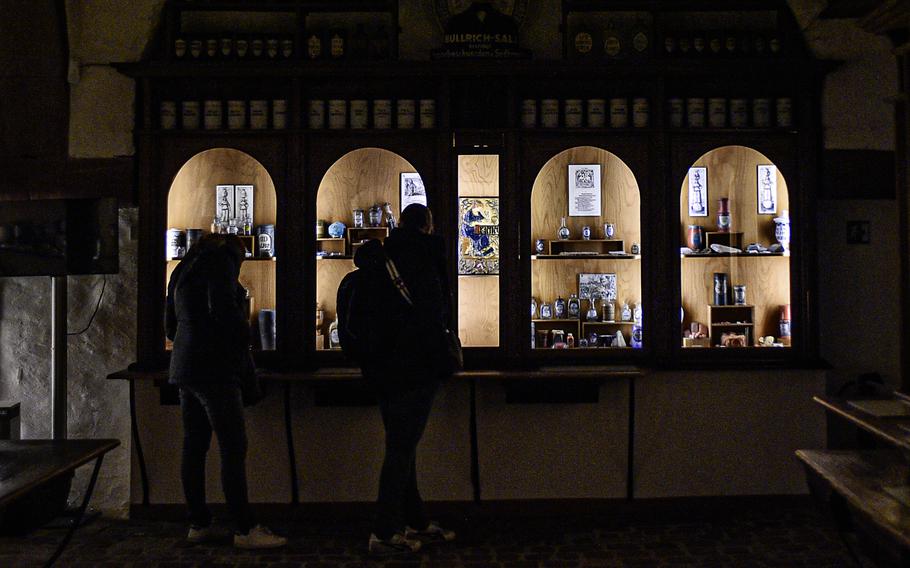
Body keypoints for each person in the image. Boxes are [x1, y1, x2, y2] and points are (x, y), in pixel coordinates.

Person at [165, 233, 286, 549]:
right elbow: (225, 313)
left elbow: (169, 324)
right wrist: (243, 340)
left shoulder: (184, 267)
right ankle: (244, 528)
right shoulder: (221, 262)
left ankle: (199, 522)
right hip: (215, 368)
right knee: (233, 447)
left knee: (194, 446)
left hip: (184, 366)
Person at [362, 204, 457, 555]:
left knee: (402, 446)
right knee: (401, 449)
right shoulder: (425, 259)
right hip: (416, 366)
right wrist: (443, 362)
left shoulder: (382, 259)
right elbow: (433, 316)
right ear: (428, 226)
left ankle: (415, 520)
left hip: (384, 368)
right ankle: (385, 531)